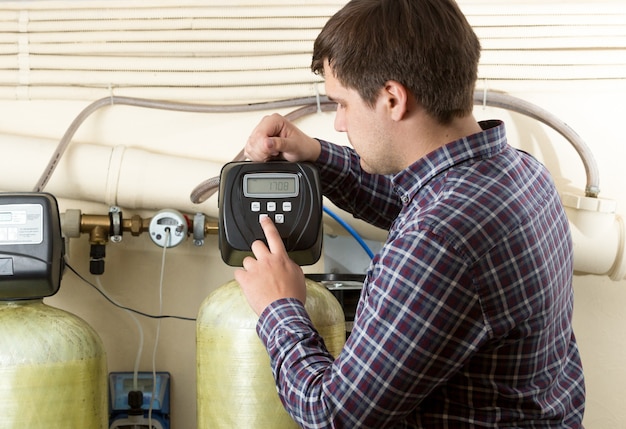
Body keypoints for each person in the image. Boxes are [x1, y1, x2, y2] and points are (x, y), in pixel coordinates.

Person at [234, 0, 586, 427]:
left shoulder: (439, 239)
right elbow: (412, 199)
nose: (340, 124)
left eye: (342, 104)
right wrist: (316, 155)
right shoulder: (520, 172)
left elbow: (332, 414)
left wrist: (279, 305)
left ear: (392, 98)